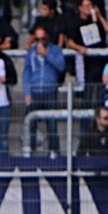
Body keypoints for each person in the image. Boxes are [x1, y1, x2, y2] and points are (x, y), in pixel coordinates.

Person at [23, 25, 66, 155]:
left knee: (52, 125)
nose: (40, 42)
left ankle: (54, 152)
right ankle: (31, 151)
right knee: (31, 125)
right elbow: (26, 73)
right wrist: (27, 93)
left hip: (50, 91)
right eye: (37, 39)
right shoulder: (31, 52)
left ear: (47, 37)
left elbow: (61, 66)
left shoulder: (56, 50)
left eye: (42, 39)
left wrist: (47, 55)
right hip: (35, 91)